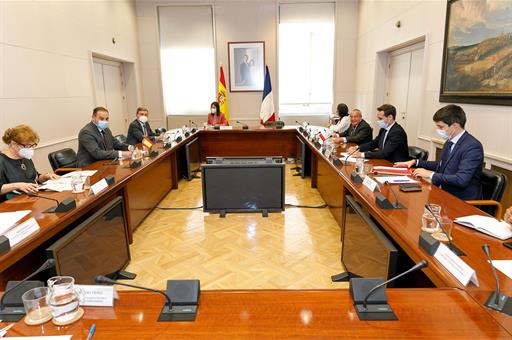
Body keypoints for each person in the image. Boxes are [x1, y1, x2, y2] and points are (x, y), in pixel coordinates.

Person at [394, 104, 483, 200]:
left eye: (441, 127)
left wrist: (430, 175)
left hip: (461, 199)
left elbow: (461, 180)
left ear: (455, 126)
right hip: (443, 192)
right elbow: (441, 165)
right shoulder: (450, 141)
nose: (439, 130)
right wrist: (415, 162)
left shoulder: (472, 147)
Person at [0, 125, 60, 201]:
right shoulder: (2, 161)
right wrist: (17, 186)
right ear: (14, 144)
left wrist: (46, 176)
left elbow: (34, 178)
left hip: (32, 199)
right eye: (28, 146)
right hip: (11, 204)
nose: (30, 149)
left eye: (33, 145)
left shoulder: (24, 156)